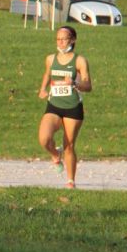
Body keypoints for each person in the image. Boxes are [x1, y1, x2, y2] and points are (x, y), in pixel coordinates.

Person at [37, 26, 91, 189]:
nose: (60, 42)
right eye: (58, 39)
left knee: (69, 145)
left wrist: (74, 83)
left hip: (73, 107)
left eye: (64, 39)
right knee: (44, 139)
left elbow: (88, 85)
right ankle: (55, 154)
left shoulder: (79, 60)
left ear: (72, 40)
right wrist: (42, 88)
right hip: (54, 105)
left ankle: (70, 181)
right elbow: (48, 73)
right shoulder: (50, 58)